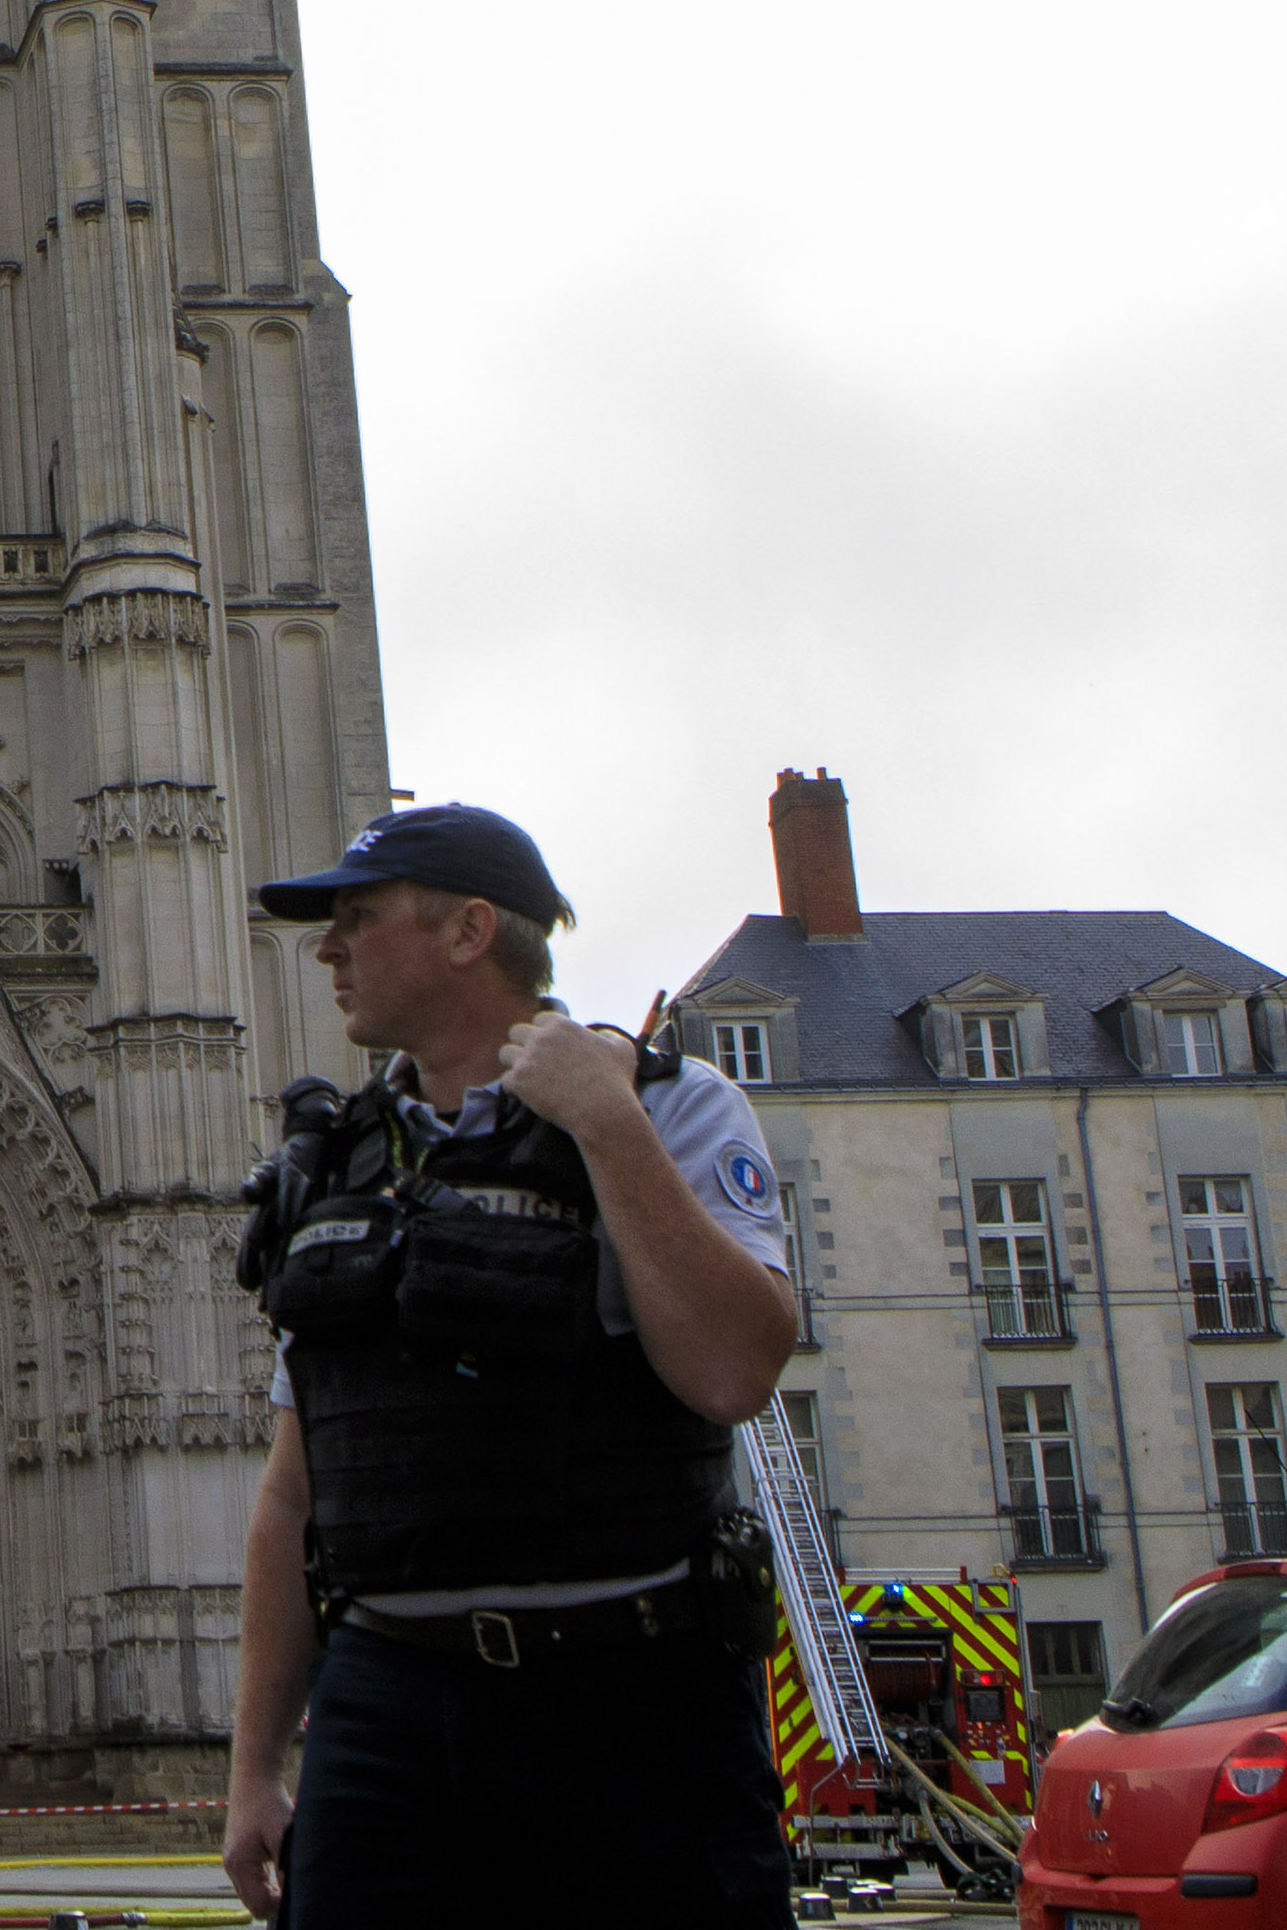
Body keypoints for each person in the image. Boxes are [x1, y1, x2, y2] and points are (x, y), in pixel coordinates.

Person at [218, 805, 802, 1928]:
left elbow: (736, 1372)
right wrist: (254, 1770)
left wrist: (605, 1123)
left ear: (468, 931)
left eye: (359, 918)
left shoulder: (670, 1109)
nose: (327, 949)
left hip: (624, 1703)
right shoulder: (335, 1162)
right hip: (384, 1710)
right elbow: (294, 1492)